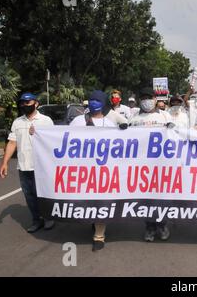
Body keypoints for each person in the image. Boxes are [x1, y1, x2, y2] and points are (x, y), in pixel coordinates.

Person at [70, 90, 120, 251]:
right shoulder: (78, 121)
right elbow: (63, 138)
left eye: (97, 100)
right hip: (83, 169)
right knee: (87, 201)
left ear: (104, 103)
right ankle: (93, 221)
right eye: (91, 99)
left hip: (102, 171)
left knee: (101, 202)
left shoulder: (110, 124)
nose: (93, 102)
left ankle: (99, 235)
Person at [0, 93, 55, 233]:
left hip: (41, 167)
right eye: (22, 103)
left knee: (42, 194)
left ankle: (48, 218)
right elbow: (12, 142)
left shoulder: (45, 120)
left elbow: (54, 141)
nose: (25, 105)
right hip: (24, 166)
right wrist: (4, 163)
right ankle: (36, 220)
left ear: (36, 103)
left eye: (27, 102)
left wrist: (38, 133)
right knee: (29, 196)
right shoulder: (17, 122)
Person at [129, 87, 172, 242]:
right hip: (142, 166)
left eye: (149, 97)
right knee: (146, 199)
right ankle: (149, 227)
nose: (147, 100)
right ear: (140, 100)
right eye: (144, 97)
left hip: (162, 164)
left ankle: (162, 225)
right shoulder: (134, 119)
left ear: (155, 98)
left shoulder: (165, 116)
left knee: (161, 198)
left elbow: (177, 135)